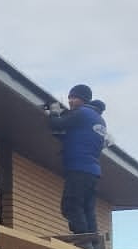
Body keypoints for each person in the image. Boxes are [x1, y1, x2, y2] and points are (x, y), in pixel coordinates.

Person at [46, 83, 109, 236]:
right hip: (93, 172)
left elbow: (57, 124)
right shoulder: (99, 120)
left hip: (79, 168)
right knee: (87, 209)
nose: (70, 101)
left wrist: (53, 112)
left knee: (71, 205)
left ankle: (84, 243)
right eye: (69, 98)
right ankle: (94, 244)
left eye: (73, 98)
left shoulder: (81, 113)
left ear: (83, 99)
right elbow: (78, 138)